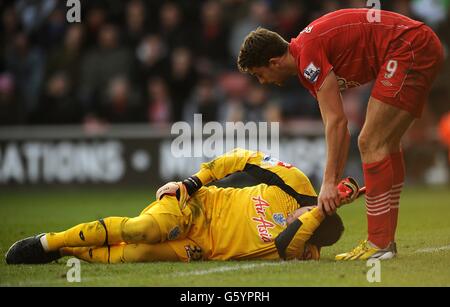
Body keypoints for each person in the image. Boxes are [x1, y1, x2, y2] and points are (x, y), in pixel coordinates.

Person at [237, 8, 444, 260]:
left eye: (259, 75)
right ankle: (385, 243)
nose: (263, 82)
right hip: (417, 43)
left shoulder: (308, 55)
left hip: (408, 46)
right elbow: (339, 128)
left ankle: (379, 244)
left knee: (370, 141)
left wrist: (328, 183)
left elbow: (336, 121)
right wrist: (333, 180)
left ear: (274, 62)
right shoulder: (306, 58)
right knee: (386, 144)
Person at [5, 148, 359, 264]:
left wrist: (320, 213)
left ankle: (67, 250)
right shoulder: (295, 182)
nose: (296, 220)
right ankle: (48, 241)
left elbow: (286, 242)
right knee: (142, 229)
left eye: (307, 221)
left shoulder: (302, 249)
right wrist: (191, 183)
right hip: (198, 206)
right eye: (304, 214)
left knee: (138, 255)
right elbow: (239, 159)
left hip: (201, 247)